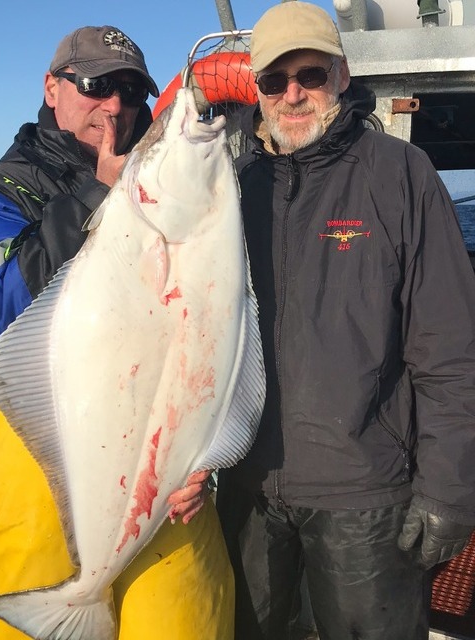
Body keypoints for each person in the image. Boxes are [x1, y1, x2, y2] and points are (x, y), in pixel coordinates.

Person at [216, 3, 475, 640]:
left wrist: (448, 489)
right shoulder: (234, 188)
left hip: (365, 498)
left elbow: (449, 348)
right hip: (248, 490)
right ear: (258, 90)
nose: (293, 93)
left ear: (342, 74)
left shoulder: (399, 174)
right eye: (275, 81)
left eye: (311, 74)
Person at [0, 25, 234, 640]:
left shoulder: (153, 179)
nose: (116, 106)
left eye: (131, 91)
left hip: (162, 488)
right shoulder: (7, 188)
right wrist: (100, 195)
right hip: (34, 492)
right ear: (52, 88)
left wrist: (204, 453)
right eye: (97, 86)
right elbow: (3, 303)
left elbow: (211, 331)